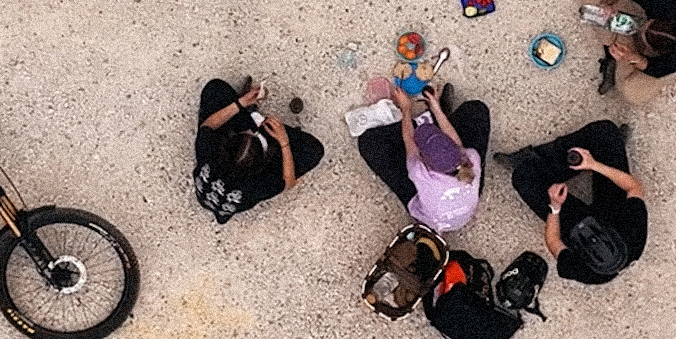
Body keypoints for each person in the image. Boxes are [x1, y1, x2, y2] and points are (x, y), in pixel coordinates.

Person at [507, 119, 648, 285]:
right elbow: (634, 187)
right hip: (612, 210)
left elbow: (554, 242)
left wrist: (555, 207)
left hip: (574, 226)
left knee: (523, 177)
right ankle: (583, 157)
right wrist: (594, 164)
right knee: (605, 133)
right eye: (596, 232)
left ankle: (535, 162)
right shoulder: (634, 235)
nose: (591, 232)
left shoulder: (582, 271)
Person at [354, 78, 491, 234]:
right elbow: (457, 142)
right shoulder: (471, 160)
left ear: (425, 161)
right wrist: (436, 108)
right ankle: (431, 118)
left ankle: (421, 121)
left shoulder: (420, 173)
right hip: (461, 204)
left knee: (369, 143)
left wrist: (406, 109)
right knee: (477, 110)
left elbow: (409, 141)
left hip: (432, 218)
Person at [194, 79, 323, 221]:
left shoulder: (209, 156)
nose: (252, 131)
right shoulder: (256, 187)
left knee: (215, 89)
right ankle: (259, 126)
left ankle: (248, 120)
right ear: (262, 163)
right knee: (313, 151)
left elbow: (208, 125)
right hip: (249, 178)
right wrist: (284, 142)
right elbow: (289, 183)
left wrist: (241, 103)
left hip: (213, 188)